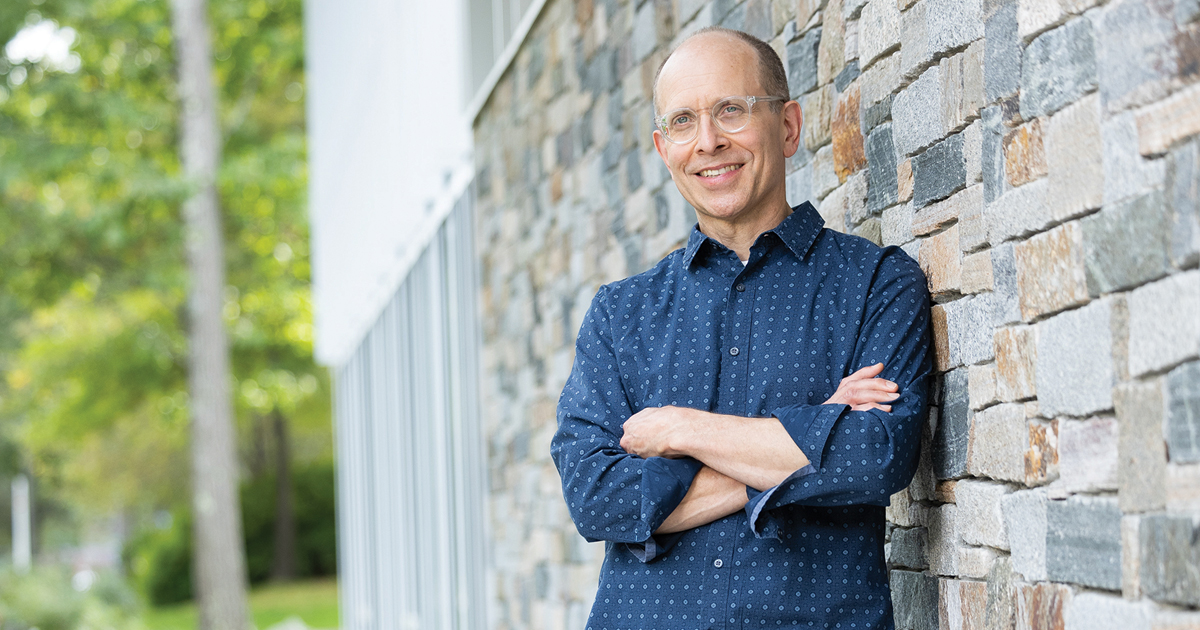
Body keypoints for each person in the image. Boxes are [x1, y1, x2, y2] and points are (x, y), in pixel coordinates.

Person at [551, 26, 932, 629]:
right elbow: (598, 498)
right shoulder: (619, 316)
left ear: (787, 127)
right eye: (682, 122)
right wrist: (814, 425)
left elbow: (873, 458)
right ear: (662, 147)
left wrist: (683, 429)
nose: (707, 142)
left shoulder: (876, 283)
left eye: (731, 110)